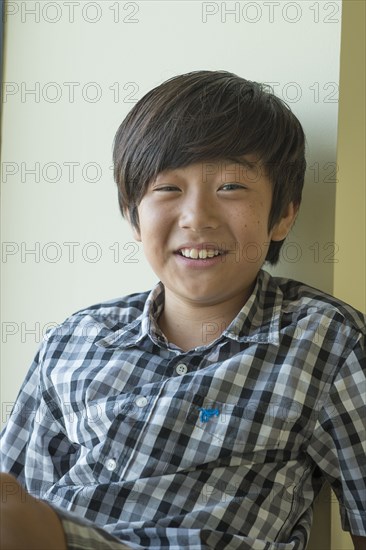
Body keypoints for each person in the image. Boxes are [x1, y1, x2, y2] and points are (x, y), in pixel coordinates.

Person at [1, 70, 365, 550]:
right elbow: (21, 499)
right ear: (132, 214)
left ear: (283, 215)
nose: (197, 217)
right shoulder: (77, 339)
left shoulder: (325, 340)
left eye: (232, 187)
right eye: (168, 189)